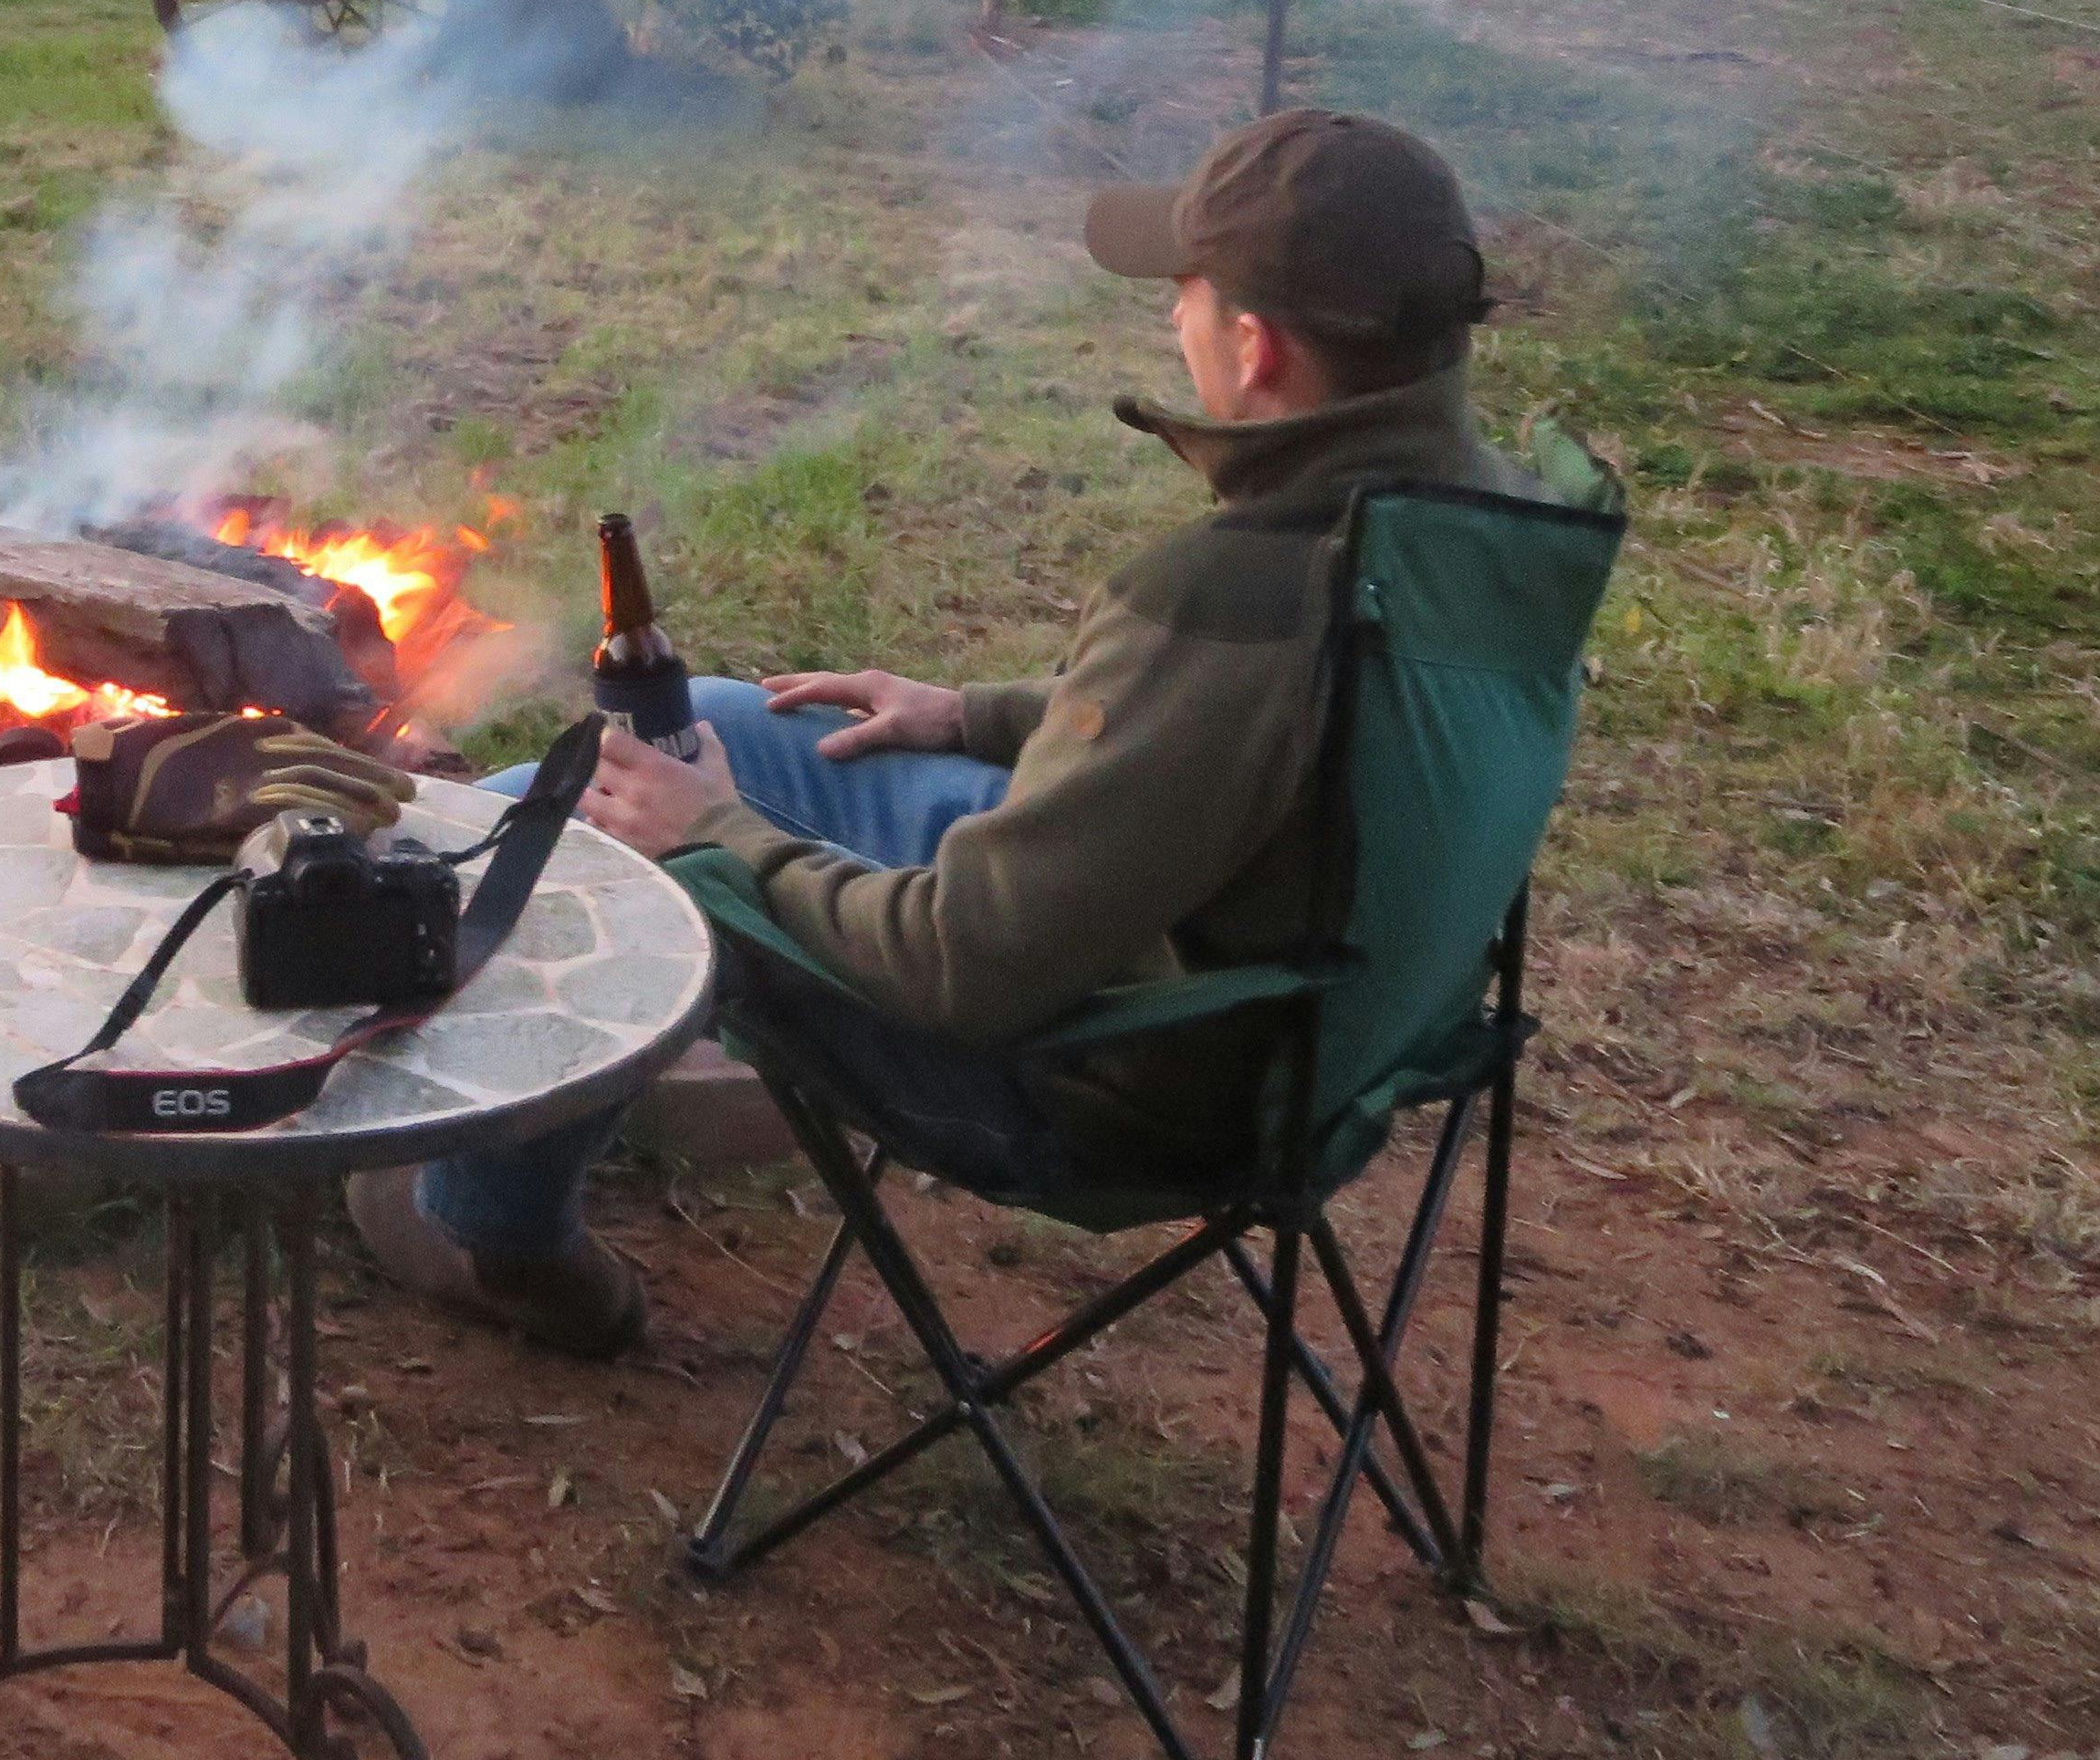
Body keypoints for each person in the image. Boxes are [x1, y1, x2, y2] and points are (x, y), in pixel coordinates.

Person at [347, 108, 1527, 1359]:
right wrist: (968, 714)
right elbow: (1226, 743)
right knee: (724, 723)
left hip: (1105, 1075)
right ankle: (442, 942)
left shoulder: (1242, 596)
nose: (1171, 319)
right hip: (1280, 994)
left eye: (1183, 293)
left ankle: (498, 1235)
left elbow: (962, 967)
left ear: (1255, 343)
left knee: (614, 843)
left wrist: (722, 837)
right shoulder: (1483, 526)